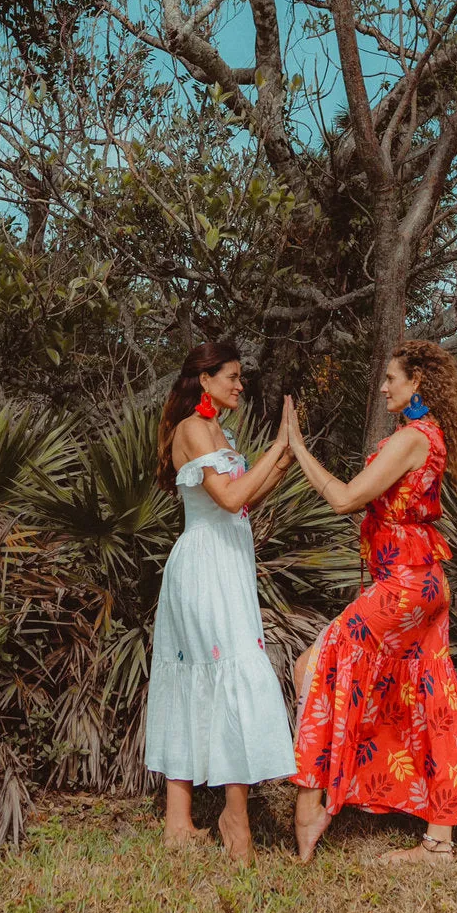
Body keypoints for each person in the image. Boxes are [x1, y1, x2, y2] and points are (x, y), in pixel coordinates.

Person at [286, 340, 457, 863]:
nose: (383, 387)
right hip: (416, 582)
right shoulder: (417, 435)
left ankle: (315, 803)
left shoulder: (415, 437)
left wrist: (297, 446)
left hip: (405, 584)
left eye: (392, 379)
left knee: (321, 661)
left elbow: (345, 498)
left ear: (417, 380)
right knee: (429, 697)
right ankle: (437, 839)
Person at [146, 341, 296, 865]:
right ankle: (235, 813)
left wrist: (287, 453)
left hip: (230, 562)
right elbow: (229, 500)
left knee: (205, 674)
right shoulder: (192, 427)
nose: (239, 385)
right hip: (204, 566)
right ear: (204, 379)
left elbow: (247, 496)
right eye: (231, 376)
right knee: (228, 670)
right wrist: (278, 445)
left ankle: (178, 821)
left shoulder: (221, 433)